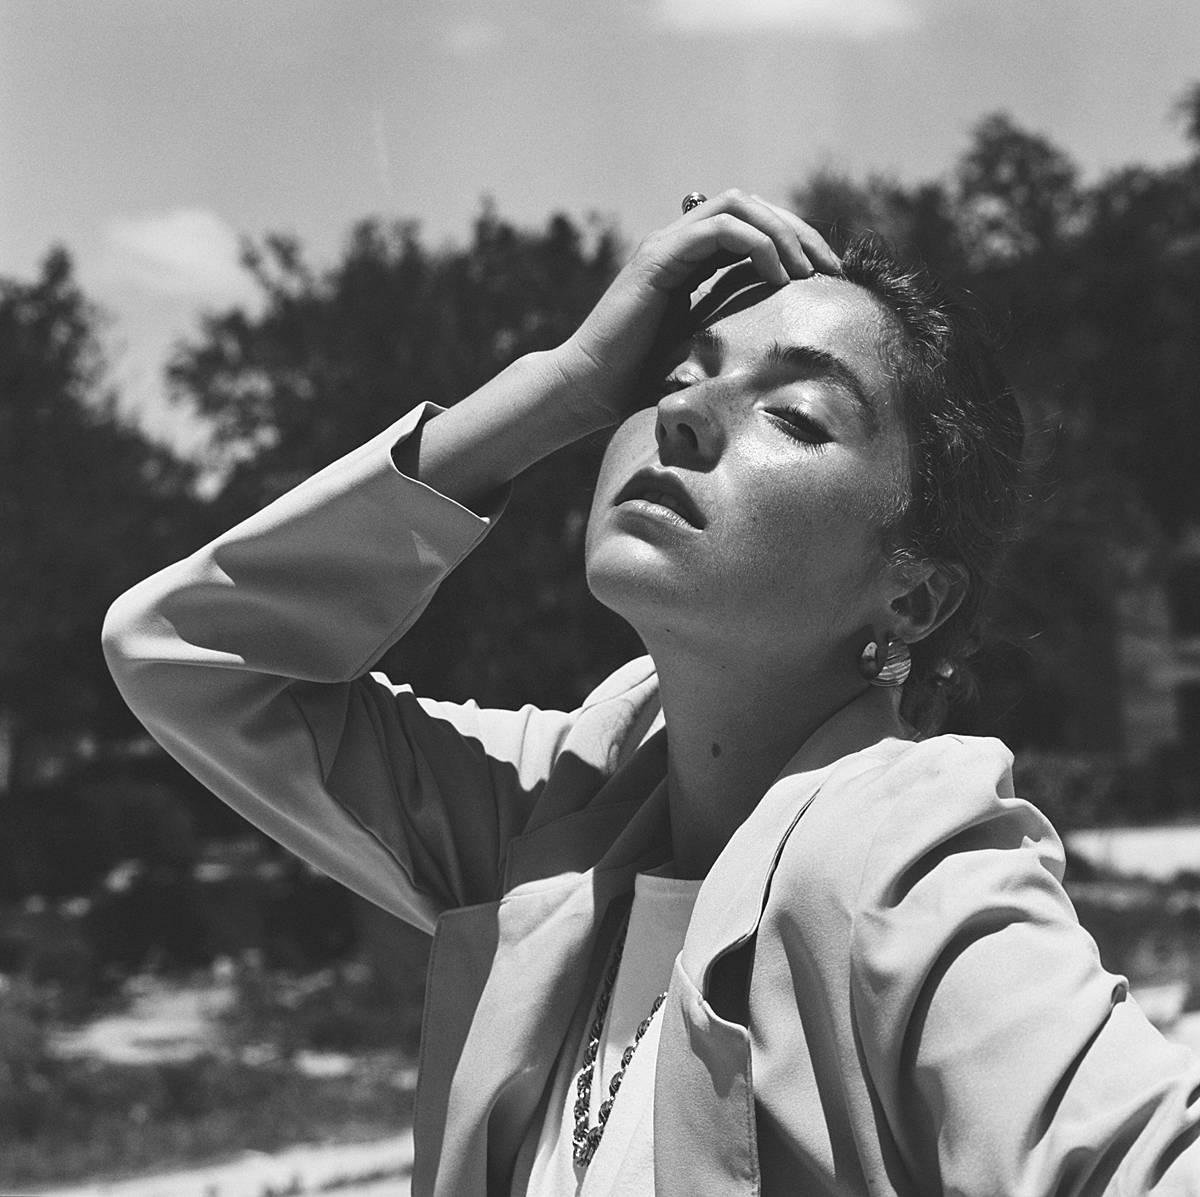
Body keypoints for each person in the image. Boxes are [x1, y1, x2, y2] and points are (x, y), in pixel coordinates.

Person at [103, 191, 1200, 1195]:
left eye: (798, 416)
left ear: (912, 599)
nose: (682, 417)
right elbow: (191, 660)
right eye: (676, 379)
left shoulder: (909, 868)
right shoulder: (560, 815)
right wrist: (562, 386)